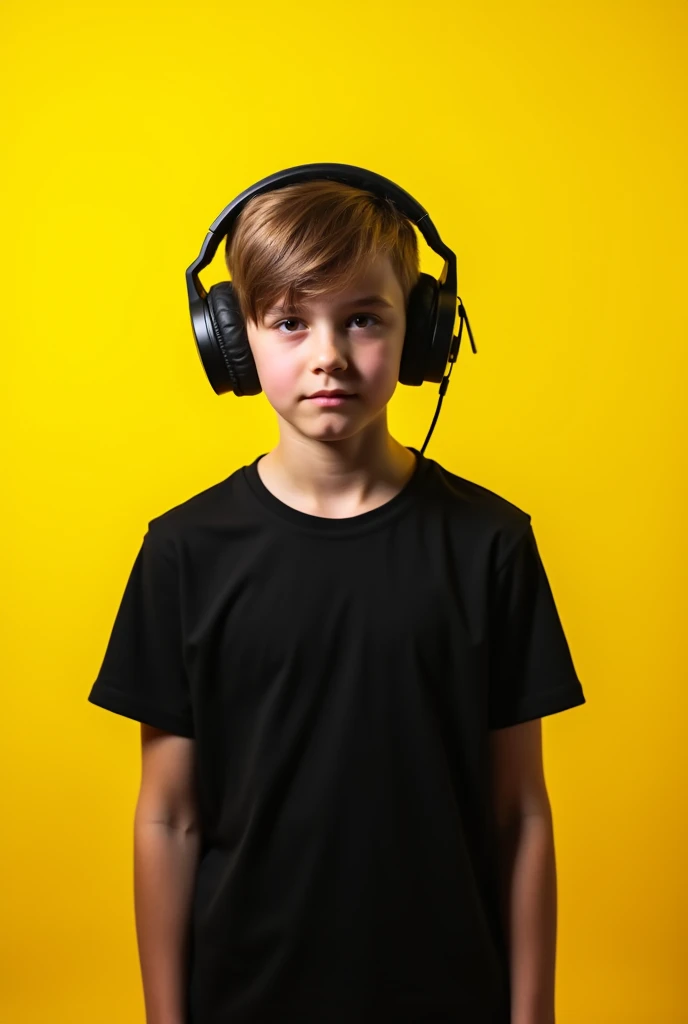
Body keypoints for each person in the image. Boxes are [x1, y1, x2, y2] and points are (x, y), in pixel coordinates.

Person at [87, 178, 586, 1024]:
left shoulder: (491, 545)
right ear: (233, 343)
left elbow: (521, 817)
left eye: (363, 318)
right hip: (244, 998)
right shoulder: (182, 554)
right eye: (289, 321)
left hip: (449, 995)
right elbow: (167, 818)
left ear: (422, 332)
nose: (328, 353)